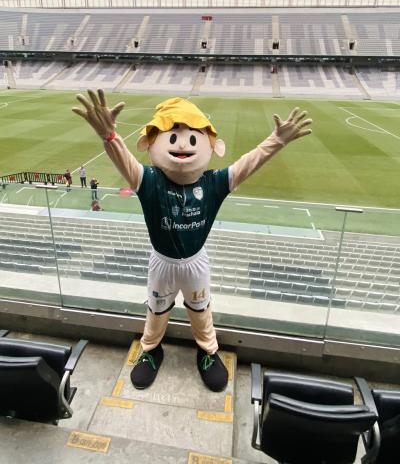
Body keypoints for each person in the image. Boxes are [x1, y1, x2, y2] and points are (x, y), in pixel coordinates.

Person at [73, 89, 312, 393]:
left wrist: (276, 140)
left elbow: (249, 163)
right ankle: (150, 349)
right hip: (162, 262)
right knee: (157, 309)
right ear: (154, 143)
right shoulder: (149, 181)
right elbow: (125, 163)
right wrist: (110, 137)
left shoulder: (214, 183)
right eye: (172, 137)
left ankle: (208, 351)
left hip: (196, 263)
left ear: (210, 145)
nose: (183, 145)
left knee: (201, 310)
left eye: (192, 138)